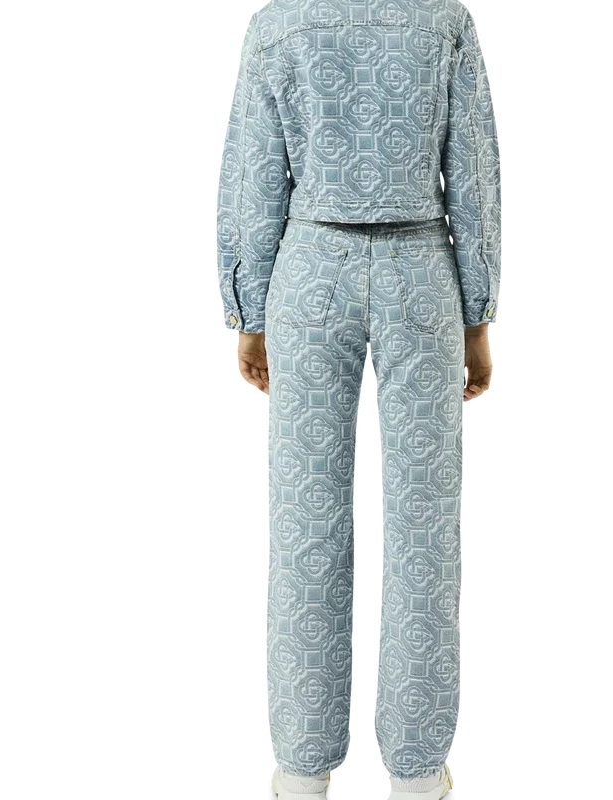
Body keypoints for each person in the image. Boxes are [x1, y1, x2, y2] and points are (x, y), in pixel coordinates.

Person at [214, 1, 501, 797]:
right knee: (424, 528)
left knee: (303, 524)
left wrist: (247, 314)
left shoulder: (278, 17)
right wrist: (479, 319)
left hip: (310, 269)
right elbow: (472, 174)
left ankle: (301, 765)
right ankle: (419, 769)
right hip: (423, 273)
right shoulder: (445, 15)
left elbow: (253, 173)